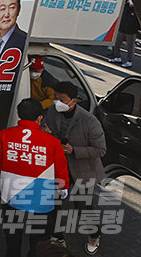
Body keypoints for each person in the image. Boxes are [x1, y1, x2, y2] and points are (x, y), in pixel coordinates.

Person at [0, 98, 69, 257]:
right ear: (40, 118)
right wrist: (64, 186)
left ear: (19, 114)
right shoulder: (52, 142)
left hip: (11, 193)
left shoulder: (3, 135)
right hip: (42, 197)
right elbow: (61, 169)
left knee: (12, 235)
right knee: (40, 240)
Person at [42, 81, 107, 255]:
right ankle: (58, 236)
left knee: (83, 207)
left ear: (73, 101)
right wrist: (46, 133)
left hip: (83, 169)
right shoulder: (52, 111)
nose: (57, 102)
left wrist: (74, 150)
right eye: (56, 98)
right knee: (54, 204)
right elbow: (46, 128)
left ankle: (94, 234)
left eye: (62, 99)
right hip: (60, 167)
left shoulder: (90, 121)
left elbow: (100, 149)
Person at [109, 0, 138, 68]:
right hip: (122, 28)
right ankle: (117, 57)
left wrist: (135, 28)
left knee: (130, 47)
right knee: (116, 43)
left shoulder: (137, 10)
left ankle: (129, 61)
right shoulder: (125, 6)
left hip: (131, 31)